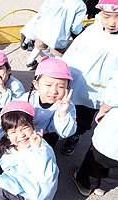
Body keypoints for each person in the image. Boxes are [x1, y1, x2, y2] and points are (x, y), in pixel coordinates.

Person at [61, 0, 118, 156]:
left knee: (85, 118)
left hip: (98, 93)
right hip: (76, 84)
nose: (112, 23)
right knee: (66, 110)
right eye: (107, 16)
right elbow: (71, 56)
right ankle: (61, 129)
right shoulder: (91, 32)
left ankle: (75, 135)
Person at [0, 57, 77, 149]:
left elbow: (66, 133)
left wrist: (63, 113)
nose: (53, 91)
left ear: (67, 88)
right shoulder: (28, 98)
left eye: (60, 86)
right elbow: (9, 113)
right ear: (36, 84)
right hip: (24, 130)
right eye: (48, 85)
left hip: (47, 135)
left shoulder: (66, 106)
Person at [0, 101, 59, 200]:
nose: (21, 135)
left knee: (1, 189)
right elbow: (1, 143)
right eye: (13, 131)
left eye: (24, 128)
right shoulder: (12, 142)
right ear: (7, 134)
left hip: (33, 193)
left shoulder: (41, 149)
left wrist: (36, 150)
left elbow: (47, 178)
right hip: (23, 183)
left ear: (33, 125)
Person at [70, 70, 118, 197]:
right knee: (116, 169)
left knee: (97, 159)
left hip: (113, 134)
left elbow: (114, 93)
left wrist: (102, 110)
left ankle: (85, 184)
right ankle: (103, 187)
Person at [26, 0, 87, 69]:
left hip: (44, 28)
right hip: (59, 34)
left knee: (38, 46)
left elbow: (42, 11)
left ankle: (30, 62)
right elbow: (76, 26)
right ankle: (56, 69)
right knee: (58, 53)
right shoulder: (80, 5)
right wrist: (77, 32)